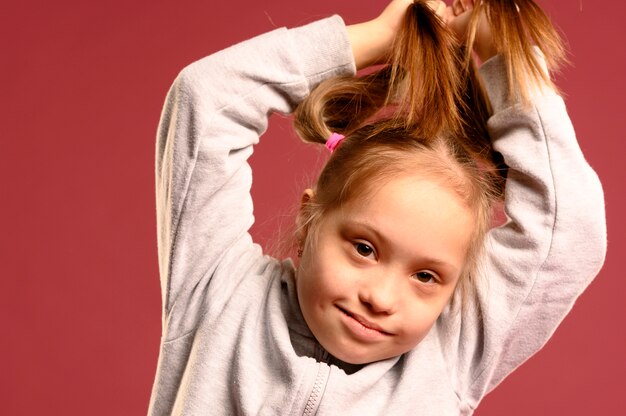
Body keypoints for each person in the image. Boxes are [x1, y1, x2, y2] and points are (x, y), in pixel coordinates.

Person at [148, 0, 606, 414]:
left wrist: (505, 57)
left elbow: (570, 231)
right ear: (310, 224)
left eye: (426, 277)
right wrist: (380, 38)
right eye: (364, 249)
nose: (380, 299)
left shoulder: (450, 355)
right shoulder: (220, 294)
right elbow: (206, 101)